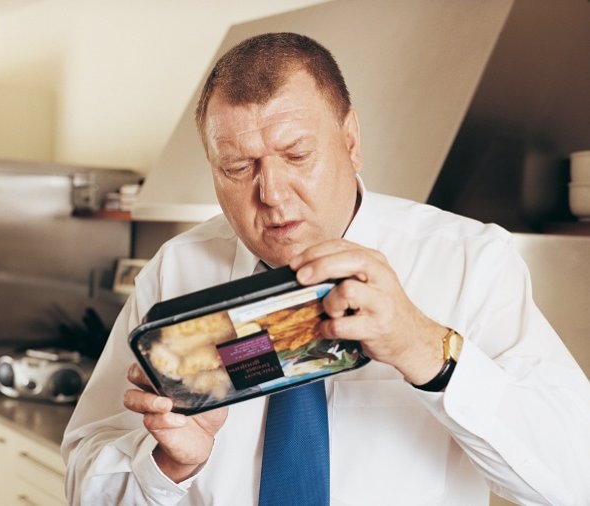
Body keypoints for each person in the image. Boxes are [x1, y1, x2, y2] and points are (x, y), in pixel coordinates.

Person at [62, 32, 590, 505]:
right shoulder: (174, 270)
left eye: (296, 154)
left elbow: (574, 478)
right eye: (238, 167)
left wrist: (423, 348)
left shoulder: (467, 260)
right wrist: (168, 464)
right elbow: (87, 481)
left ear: (351, 142)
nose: (271, 194)